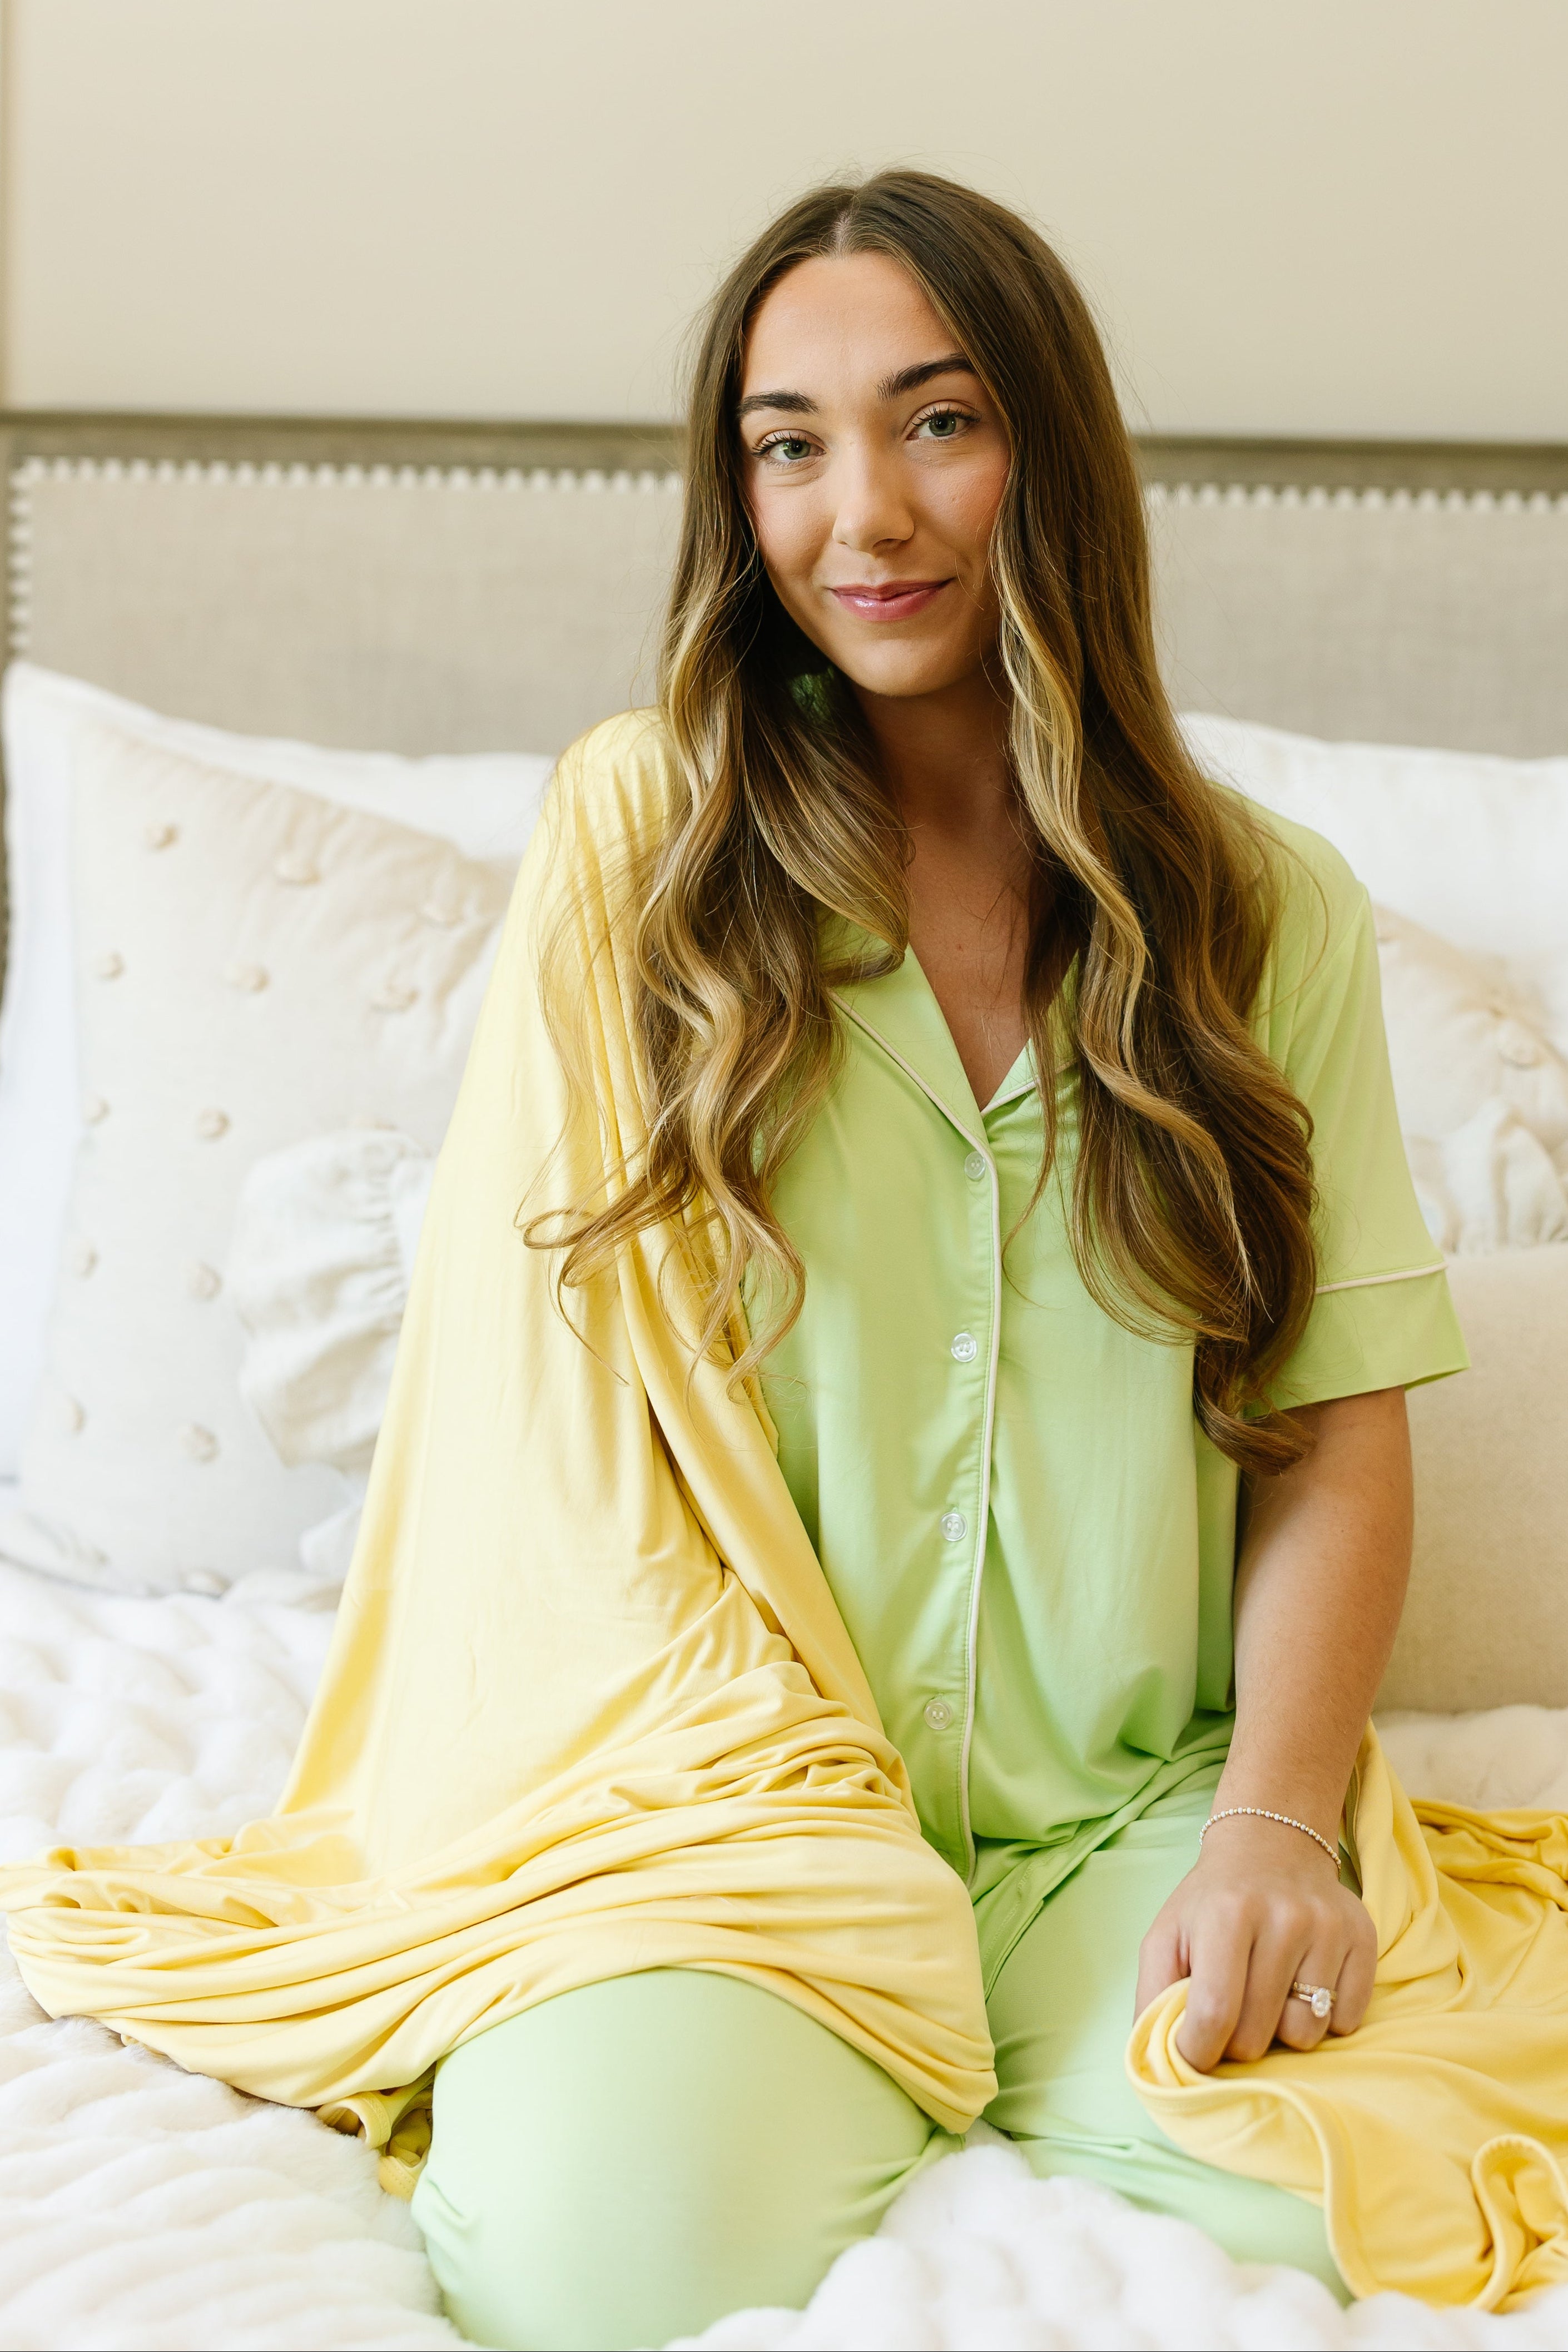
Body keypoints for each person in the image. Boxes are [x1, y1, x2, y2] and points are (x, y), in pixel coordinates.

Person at [7, 172, 1568, 2350]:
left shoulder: (1264, 911)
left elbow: (1327, 1432)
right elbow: (543, 1449)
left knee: (1418, 2180)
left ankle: (988, 2025)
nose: (866, 511)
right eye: (789, 441)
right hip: (713, 1805)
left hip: (1108, 1804)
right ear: (736, 490)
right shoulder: (638, 843)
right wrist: (782, 1883)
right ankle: (782, 2033)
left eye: (937, 422)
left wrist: (1273, 1834)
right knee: (583, 2254)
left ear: (1055, 455)